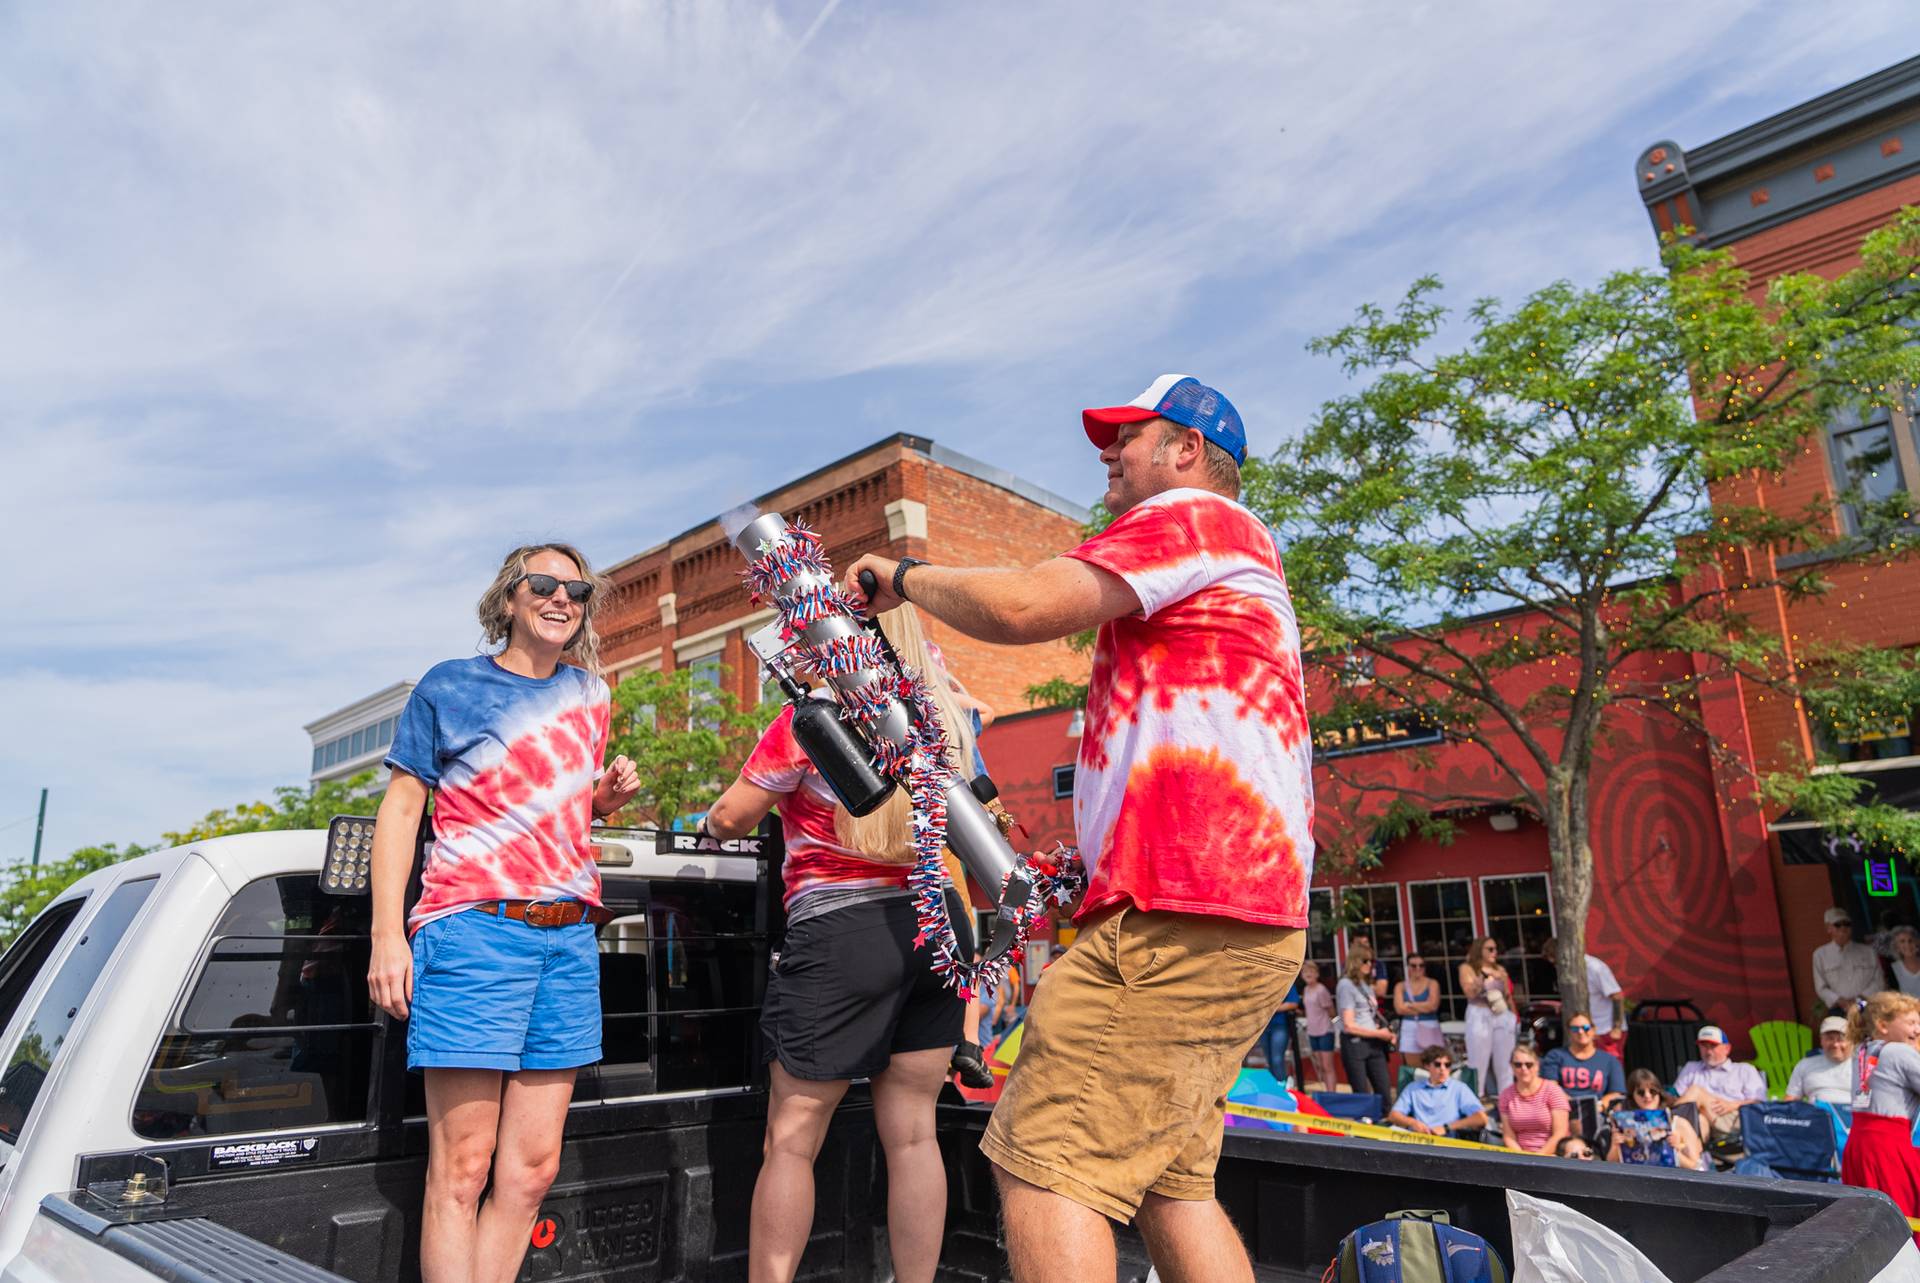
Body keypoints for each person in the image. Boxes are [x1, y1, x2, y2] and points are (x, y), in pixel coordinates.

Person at [844, 373, 1314, 1283]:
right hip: (1231, 918)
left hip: (1177, 911)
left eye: (1127, 436)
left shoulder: (1195, 516)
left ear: (1186, 453)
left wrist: (898, 577)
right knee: (1171, 1187)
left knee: (1043, 1164)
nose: (1108, 451)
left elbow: (1024, 606)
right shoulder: (1233, 556)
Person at [366, 543, 641, 1283]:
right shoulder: (450, 685)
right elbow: (401, 807)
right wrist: (387, 935)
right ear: (509, 600)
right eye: (544, 584)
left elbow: (547, 810)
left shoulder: (592, 694)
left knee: (531, 1170)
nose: (562, 597)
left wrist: (601, 802)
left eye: (576, 588)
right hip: (473, 929)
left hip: (570, 938)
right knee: (463, 1164)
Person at [703, 604, 979, 1283]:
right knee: (914, 1132)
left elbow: (731, 816)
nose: (792, 647)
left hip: (842, 930)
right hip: (936, 919)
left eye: (803, 634)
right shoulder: (935, 708)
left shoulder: (811, 719)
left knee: (792, 1139)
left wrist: (713, 817)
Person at [1841, 990, 1920, 1240]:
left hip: (1860, 1146)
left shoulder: (1862, 1051)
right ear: (1883, 1025)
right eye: (1910, 1022)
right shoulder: (1899, 1052)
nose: (1918, 1028)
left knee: (1870, 1225)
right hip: (1889, 1149)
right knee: (1902, 1219)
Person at [1674, 1025, 1767, 1145]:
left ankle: (1664, 1122)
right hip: (1702, 1123)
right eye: (1704, 1046)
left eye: (1713, 1046)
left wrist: (1733, 1105)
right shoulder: (1691, 1068)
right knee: (1700, 1119)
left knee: (1696, 1091)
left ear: (1727, 1048)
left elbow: (1760, 1102)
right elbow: (1675, 1097)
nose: (1708, 1051)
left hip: (1732, 1120)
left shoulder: (1744, 1070)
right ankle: (1698, 1160)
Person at [1542, 936, 1627, 1057]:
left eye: (1557, 962)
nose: (1556, 966)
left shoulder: (1595, 968)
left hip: (1605, 1030)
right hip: (1586, 1031)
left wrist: (1616, 1028)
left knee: (1609, 1069)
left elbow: (1617, 996)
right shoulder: (1569, 973)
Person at [1609, 1069, 1706, 1169]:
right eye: (1641, 1092)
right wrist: (1615, 1146)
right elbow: (1610, 1168)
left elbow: (1696, 1168)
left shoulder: (1679, 1124)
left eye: (1653, 1091)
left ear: (1659, 1093)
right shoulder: (1624, 1125)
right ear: (1632, 1097)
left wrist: (1675, 1152)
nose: (1647, 1096)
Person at [1460, 936, 1518, 1097]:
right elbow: (1469, 993)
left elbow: (1507, 995)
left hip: (1501, 1014)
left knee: (1505, 1063)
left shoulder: (1500, 969)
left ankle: (1506, 1101)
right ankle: (1474, 1101)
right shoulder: (1468, 968)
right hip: (1480, 1013)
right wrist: (1482, 981)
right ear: (1480, 950)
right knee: (1477, 1061)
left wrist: (1513, 1017)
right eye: (1490, 949)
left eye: (1495, 949)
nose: (1494, 952)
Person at [1387, 1046, 1488, 1137]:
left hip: (1447, 1141)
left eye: (1447, 1065)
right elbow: (1394, 1115)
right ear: (1427, 1066)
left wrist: (1447, 1128)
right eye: (1437, 1064)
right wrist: (1413, 1123)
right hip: (1419, 1140)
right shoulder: (1413, 1088)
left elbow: (1481, 1118)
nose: (1442, 1069)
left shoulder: (1459, 1088)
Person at [1541, 1011, 1626, 1112]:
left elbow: (1616, 1093)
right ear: (1569, 1032)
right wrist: (1572, 1105)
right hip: (1563, 1111)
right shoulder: (1555, 1056)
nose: (1580, 1032)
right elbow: (1551, 1088)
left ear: (1594, 1030)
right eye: (1575, 1028)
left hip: (1598, 1113)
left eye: (1585, 1028)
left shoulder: (1610, 1060)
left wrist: (1599, 1107)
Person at [1338, 955, 1395, 1100]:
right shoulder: (1345, 984)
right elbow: (1349, 1025)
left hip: (1374, 1041)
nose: (1369, 964)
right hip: (1355, 1043)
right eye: (1365, 960)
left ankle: (1384, 1118)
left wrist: (1381, 1030)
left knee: (1384, 1089)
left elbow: (1366, 1016)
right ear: (1354, 962)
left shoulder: (1365, 983)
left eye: (1371, 961)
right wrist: (1378, 1034)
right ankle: (1366, 1120)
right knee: (1361, 1092)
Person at [1814, 907, 1886, 1015]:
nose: (1843, 928)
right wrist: (1842, 1002)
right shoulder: (1820, 955)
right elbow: (1821, 987)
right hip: (1839, 1008)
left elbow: (1879, 982)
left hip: (1865, 1005)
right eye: (1837, 924)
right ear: (1828, 928)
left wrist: (1858, 1002)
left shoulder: (1868, 951)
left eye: (1847, 924)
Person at [1499, 1048, 1570, 1155]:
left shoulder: (1553, 1091)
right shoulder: (1506, 1095)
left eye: (1529, 1064)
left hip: (1553, 1154)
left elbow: (1560, 1133)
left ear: (1537, 1065)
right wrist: (1521, 1158)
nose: (1523, 1068)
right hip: (1519, 1156)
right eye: (1518, 1065)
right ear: (1512, 1066)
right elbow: (1509, 1136)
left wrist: (1538, 1157)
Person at [1786, 1015, 1861, 1105]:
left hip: (1852, 1115)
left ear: (1852, 1041)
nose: (1835, 1044)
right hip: (1816, 1116)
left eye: (1841, 1039)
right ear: (1821, 1040)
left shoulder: (1863, 1067)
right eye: (1830, 1038)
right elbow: (1790, 1101)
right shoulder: (1805, 1065)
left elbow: (1869, 1106)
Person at [1393, 956, 1445, 1056]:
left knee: (1433, 1060)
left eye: (1421, 965)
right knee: (1412, 1066)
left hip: (1429, 1026)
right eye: (1413, 966)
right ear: (1407, 967)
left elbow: (1433, 1006)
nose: (1418, 968)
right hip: (1409, 1026)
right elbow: (1399, 1009)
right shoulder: (1400, 986)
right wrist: (1424, 1006)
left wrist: (1409, 1005)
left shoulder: (1432, 983)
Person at [1301, 961, 1339, 1090]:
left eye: (1311, 971)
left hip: (1325, 1031)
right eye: (1305, 971)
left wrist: (1335, 1023)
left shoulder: (1321, 989)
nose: (1308, 974)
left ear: (1317, 974)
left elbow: (1331, 1011)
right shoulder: (1306, 990)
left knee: (1327, 1066)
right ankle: (1325, 1092)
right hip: (1312, 1032)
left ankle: (1332, 1095)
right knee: (1320, 1066)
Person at [1258, 979, 1304, 1084]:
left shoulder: (1286, 982)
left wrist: (1271, 1008)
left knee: (1277, 1059)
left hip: (1280, 1026)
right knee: (1269, 1059)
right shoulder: (1262, 985)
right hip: (1264, 1027)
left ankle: (1281, 1086)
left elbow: (1293, 1003)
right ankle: (1274, 1087)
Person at [1890, 926, 1920, 999]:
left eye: (1910, 940)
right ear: (1896, 947)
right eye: (1902, 941)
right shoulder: (1893, 969)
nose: (1907, 944)